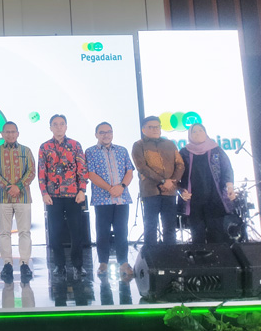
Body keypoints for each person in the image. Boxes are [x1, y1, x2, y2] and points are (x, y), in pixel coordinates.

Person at [38, 114, 88, 281]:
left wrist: (82, 190)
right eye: (55, 124)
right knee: (55, 232)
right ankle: (59, 265)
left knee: (76, 231)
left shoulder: (75, 145)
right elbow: (42, 172)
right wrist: (44, 193)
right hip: (53, 196)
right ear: (50, 127)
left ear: (66, 126)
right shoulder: (44, 147)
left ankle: (78, 265)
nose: (59, 127)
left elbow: (82, 169)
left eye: (61, 124)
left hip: (74, 195)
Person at [85, 122, 135, 277]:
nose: (106, 135)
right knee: (102, 232)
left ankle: (124, 263)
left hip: (122, 198)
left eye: (109, 132)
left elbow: (129, 171)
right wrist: (110, 188)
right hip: (102, 199)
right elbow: (91, 174)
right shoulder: (90, 152)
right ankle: (103, 263)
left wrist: (121, 187)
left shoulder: (122, 150)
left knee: (122, 231)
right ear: (96, 135)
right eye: (102, 132)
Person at [0, 121, 36, 283]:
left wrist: (18, 187)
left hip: (23, 197)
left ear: (18, 134)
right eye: (7, 132)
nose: (10, 134)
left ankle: (24, 264)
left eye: (13, 132)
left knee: (25, 232)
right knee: (4, 232)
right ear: (2, 134)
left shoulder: (26, 151)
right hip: (3, 197)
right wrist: (8, 187)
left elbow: (31, 171)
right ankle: (7, 264)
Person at [178, 123, 237, 244]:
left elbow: (227, 169)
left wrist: (230, 187)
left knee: (217, 235)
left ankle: (218, 257)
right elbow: (178, 174)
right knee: (197, 236)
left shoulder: (216, 149)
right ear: (190, 135)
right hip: (194, 201)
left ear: (205, 133)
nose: (198, 133)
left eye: (201, 130)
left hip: (215, 199)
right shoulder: (184, 152)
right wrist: (181, 190)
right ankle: (199, 256)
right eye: (194, 131)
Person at [131, 116, 185, 245]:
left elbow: (180, 165)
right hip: (150, 191)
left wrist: (172, 181)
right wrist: (163, 181)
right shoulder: (139, 145)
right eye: (151, 127)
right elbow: (142, 167)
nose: (155, 129)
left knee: (170, 226)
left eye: (157, 126)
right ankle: (152, 256)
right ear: (144, 129)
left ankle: (169, 255)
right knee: (150, 227)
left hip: (170, 191)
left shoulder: (170, 144)